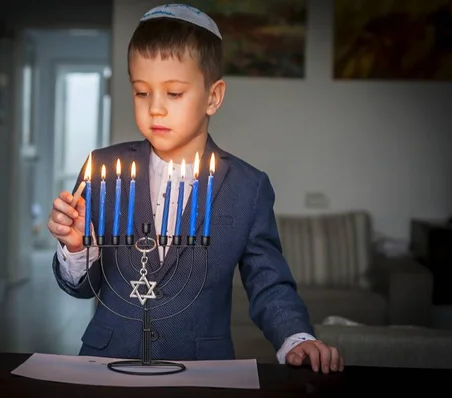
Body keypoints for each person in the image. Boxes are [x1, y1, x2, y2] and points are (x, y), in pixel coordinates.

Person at [48, 3, 344, 373]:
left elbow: (268, 282)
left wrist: (297, 338)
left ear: (213, 97)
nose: (155, 108)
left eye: (173, 93)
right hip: (108, 362)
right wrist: (76, 248)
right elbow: (80, 288)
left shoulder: (246, 187)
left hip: (202, 369)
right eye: (142, 92)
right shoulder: (103, 170)